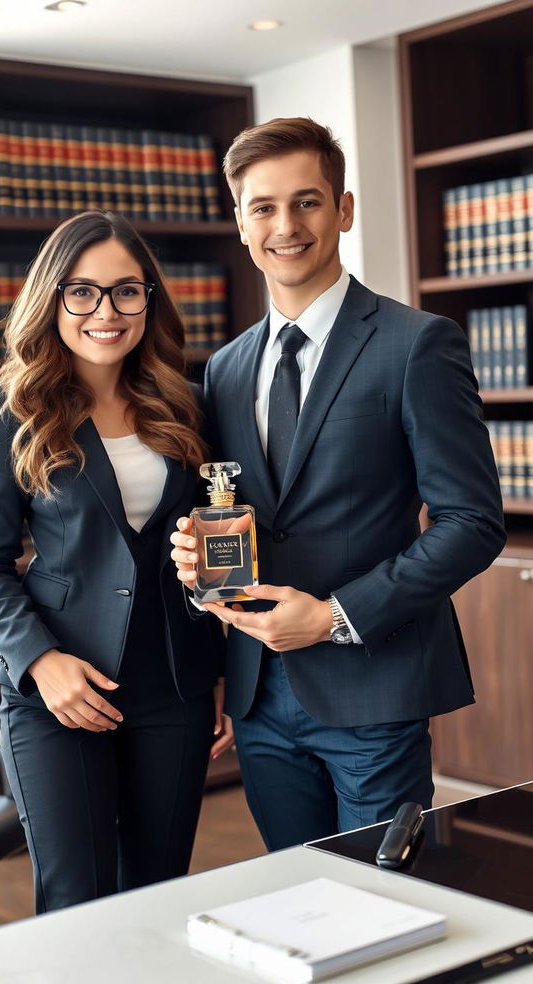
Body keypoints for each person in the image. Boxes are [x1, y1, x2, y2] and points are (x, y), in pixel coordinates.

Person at [170, 117, 505, 851]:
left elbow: (473, 521)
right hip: (259, 695)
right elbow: (239, 516)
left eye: (307, 202)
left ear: (344, 209)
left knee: (384, 908)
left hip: (374, 686)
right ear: (240, 221)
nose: (285, 226)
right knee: (297, 895)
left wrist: (334, 616)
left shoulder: (417, 344)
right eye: (263, 207)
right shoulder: (224, 369)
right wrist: (197, 559)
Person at [0, 210, 231, 913]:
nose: (105, 312)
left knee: (157, 892)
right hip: (57, 688)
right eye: (82, 292)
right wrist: (40, 663)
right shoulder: (13, 409)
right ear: (52, 300)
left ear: (149, 298)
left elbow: (209, 550)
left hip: (172, 686)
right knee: (75, 899)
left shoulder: (187, 404)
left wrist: (221, 668)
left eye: (125, 291)